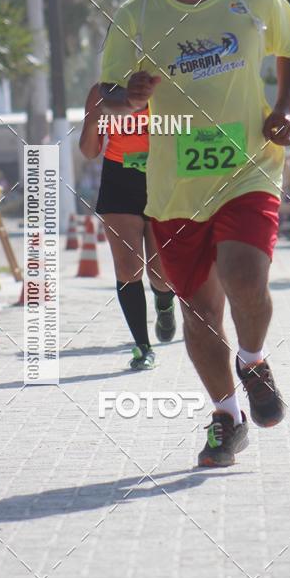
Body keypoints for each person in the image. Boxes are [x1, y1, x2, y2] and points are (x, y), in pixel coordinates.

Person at [98, 0, 290, 466]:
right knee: (198, 311)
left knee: (244, 275)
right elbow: (108, 93)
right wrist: (127, 93)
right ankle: (226, 415)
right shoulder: (136, 12)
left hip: (248, 168)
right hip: (173, 185)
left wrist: (285, 108)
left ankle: (254, 359)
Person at [79, 84, 176, 370]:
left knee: (161, 274)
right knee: (127, 268)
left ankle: (164, 301)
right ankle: (143, 347)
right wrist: (94, 118)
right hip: (119, 180)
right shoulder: (101, 92)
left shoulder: (165, 86)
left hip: (162, 179)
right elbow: (89, 151)